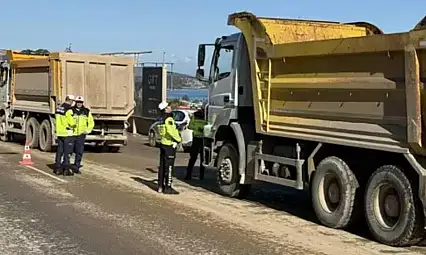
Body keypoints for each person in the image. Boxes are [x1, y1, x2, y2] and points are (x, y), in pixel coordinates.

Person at [157, 101, 181, 194]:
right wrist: (179, 139)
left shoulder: (160, 119)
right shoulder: (169, 119)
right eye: (169, 107)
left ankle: (160, 186)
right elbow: (171, 131)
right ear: (166, 109)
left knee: (162, 166)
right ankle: (168, 187)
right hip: (169, 145)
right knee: (169, 166)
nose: (170, 108)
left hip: (163, 143)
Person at [70, 96, 94, 174]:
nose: (79, 104)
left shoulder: (86, 111)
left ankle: (76, 167)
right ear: (75, 102)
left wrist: (87, 131)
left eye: (80, 102)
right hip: (72, 134)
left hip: (81, 135)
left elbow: (91, 122)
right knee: (69, 151)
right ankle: (66, 165)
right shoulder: (71, 111)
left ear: (82, 103)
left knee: (79, 151)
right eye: (78, 102)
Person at [54, 95, 76, 176]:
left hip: (60, 132)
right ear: (70, 100)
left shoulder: (59, 108)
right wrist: (75, 123)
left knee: (59, 151)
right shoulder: (69, 110)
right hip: (67, 133)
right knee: (67, 152)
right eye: (72, 101)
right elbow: (71, 122)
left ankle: (57, 168)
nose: (73, 103)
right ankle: (66, 169)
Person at [185, 107, 207, 180]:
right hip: (204, 139)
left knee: (193, 158)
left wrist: (196, 128)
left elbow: (190, 126)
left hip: (196, 139)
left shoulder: (194, 116)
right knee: (203, 159)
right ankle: (202, 176)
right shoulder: (206, 116)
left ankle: (188, 175)